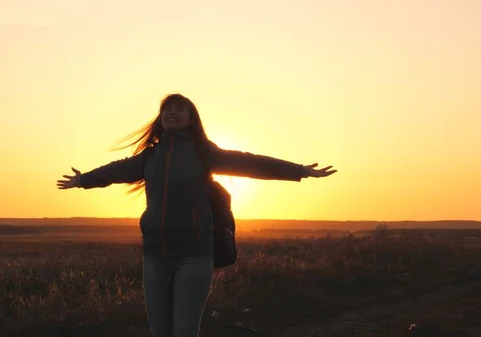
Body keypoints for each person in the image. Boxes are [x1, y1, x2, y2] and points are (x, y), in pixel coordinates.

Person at [56, 93, 337, 337]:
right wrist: (84, 180)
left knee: (184, 332)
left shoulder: (203, 153)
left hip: (194, 255)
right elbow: (116, 170)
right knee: (161, 332)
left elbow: (249, 162)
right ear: (160, 118)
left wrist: (298, 170)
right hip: (154, 257)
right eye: (167, 108)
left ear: (191, 118)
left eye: (180, 108)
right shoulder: (150, 156)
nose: (172, 112)